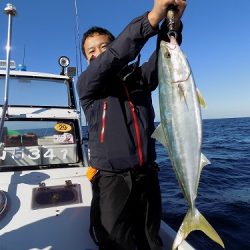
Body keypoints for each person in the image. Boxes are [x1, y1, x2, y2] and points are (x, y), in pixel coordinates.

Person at [77, 0, 186, 249]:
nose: (98, 53)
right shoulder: (87, 86)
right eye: (91, 51)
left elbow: (166, 56)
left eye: (104, 46)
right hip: (111, 181)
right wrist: (151, 18)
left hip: (147, 176)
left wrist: (173, 23)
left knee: (151, 239)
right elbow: (113, 58)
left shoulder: (140, 80)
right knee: (116, 243)